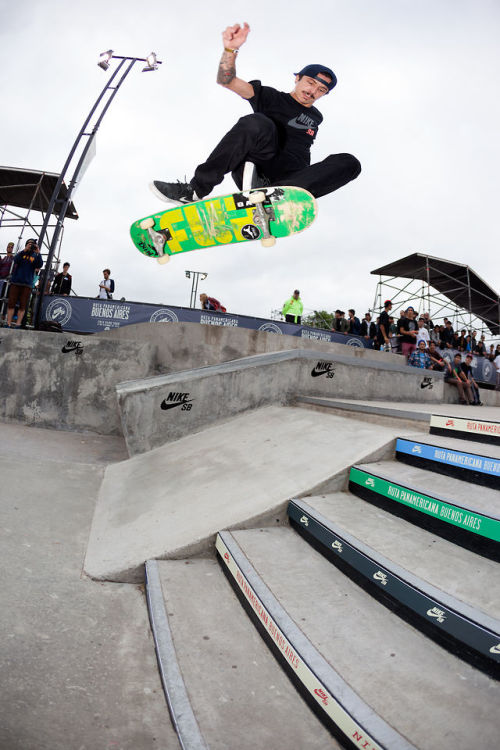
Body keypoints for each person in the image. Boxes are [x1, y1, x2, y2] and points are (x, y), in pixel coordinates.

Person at [151, 23, 361, 205]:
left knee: (350, 162)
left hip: (293, 179)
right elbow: (226, 80)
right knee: (256, 122)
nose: (312, 92)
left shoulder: (317, 118)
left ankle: (280, 195)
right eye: (310, 82)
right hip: (258, 169)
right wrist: (230, 49)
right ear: (297, 78)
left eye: (321, 90)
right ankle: (195, 190)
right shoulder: (269, 96)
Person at [6, 239, 43, 328]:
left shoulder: (35, 255)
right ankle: (8, 324)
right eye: (29, 244)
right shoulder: (21, 253)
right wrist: (24, 250)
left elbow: (39, 265)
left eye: (32, 244)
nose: (31, 246)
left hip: (27, 284)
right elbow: (16, 260)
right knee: (11, 304)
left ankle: (18, 325)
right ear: (26, 245)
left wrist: (38, 253)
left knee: (22, 306)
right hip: (16, 282)